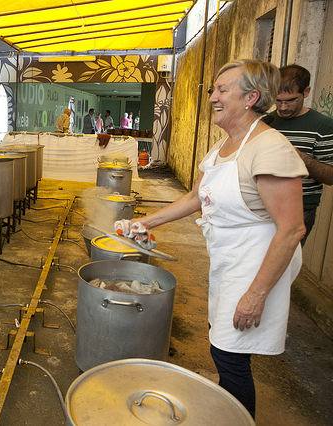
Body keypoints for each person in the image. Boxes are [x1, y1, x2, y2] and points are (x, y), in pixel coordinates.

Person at [122, 60, 306, 418]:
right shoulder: (225, 144)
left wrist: (256, 294)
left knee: (229, 355)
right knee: (223, 344)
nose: (213, 98)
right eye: (213, 90)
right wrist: (145, 221)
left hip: (255, 264)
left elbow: (292, 229)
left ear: (251, 97)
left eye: (223, 90)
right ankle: (227, 413)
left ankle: (236, 418)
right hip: (229, 260)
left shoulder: (269, 147)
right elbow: (196, 198)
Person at [264, 64, 333, 243]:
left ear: (306, 92)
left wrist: (302, 160)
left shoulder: (323, 127)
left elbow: (331, 176)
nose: (283, 107)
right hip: (262, 207)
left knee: (284, 268)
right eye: (278, 100)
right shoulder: (266, 123)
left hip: (300, 211)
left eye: (291, 100)